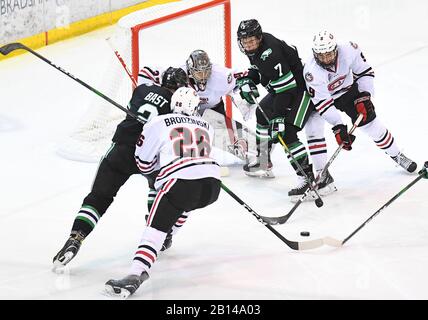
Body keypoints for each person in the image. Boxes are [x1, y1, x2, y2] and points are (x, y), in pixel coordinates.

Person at [52, 67, 188, 270]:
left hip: (120, 150)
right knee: (158, 188)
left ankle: (76, 237)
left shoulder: (141, 90)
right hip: (149, 154)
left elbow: (144, 88)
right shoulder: (176, 105)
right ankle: (161, 232)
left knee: (98, 197)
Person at [104, 87, 221, 298]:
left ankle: (136, 273)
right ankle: (170, 234)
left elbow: (143, 161)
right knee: (185, 202)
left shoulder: (158, 123)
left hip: (181, 183)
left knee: (154, 228)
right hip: (213, 185)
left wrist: (154, 175)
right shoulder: (207, 126)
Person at [235, 19, 335, 198]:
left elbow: (287, 88)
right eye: (245, 41)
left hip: (302, 92)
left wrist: (278, 117)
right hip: (282, 90)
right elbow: (259, 69)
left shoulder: (270, 52)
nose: (248, 45)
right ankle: (263, 161)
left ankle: (308, 178)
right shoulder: (259, 46)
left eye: (251, 41)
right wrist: (249, 79)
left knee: (286, 132)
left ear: (258, 38)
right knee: (262, 114)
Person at [303, 30, 417, 173]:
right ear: (314, 53)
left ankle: (397, 155)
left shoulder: (349, 50)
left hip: (348, 91)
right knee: (313, 130)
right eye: (321, 55)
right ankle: (322, 174)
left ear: (335, 49)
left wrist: (364, 96)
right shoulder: (311, 72)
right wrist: (338, 126)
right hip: (323, 99)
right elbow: (324, 104)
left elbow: (364, 72)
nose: (326, 59)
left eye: (329, 54)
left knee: (372, 125)